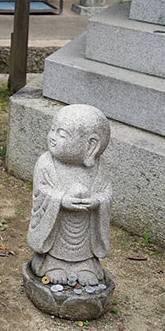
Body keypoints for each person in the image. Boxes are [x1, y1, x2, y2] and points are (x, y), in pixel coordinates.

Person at [27, 104, 112, 287]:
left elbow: (106, 193)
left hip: (85, 237)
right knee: (52, 256)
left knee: (87, 263)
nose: (53, 138)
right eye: (52, 130)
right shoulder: (46, 163)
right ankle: (52, 263)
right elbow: (41, 191)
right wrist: (60, 200)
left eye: (62, 134)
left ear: (92, 145)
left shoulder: (99, 167)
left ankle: (84, 266)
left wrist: (97, 201)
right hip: (56, 234)